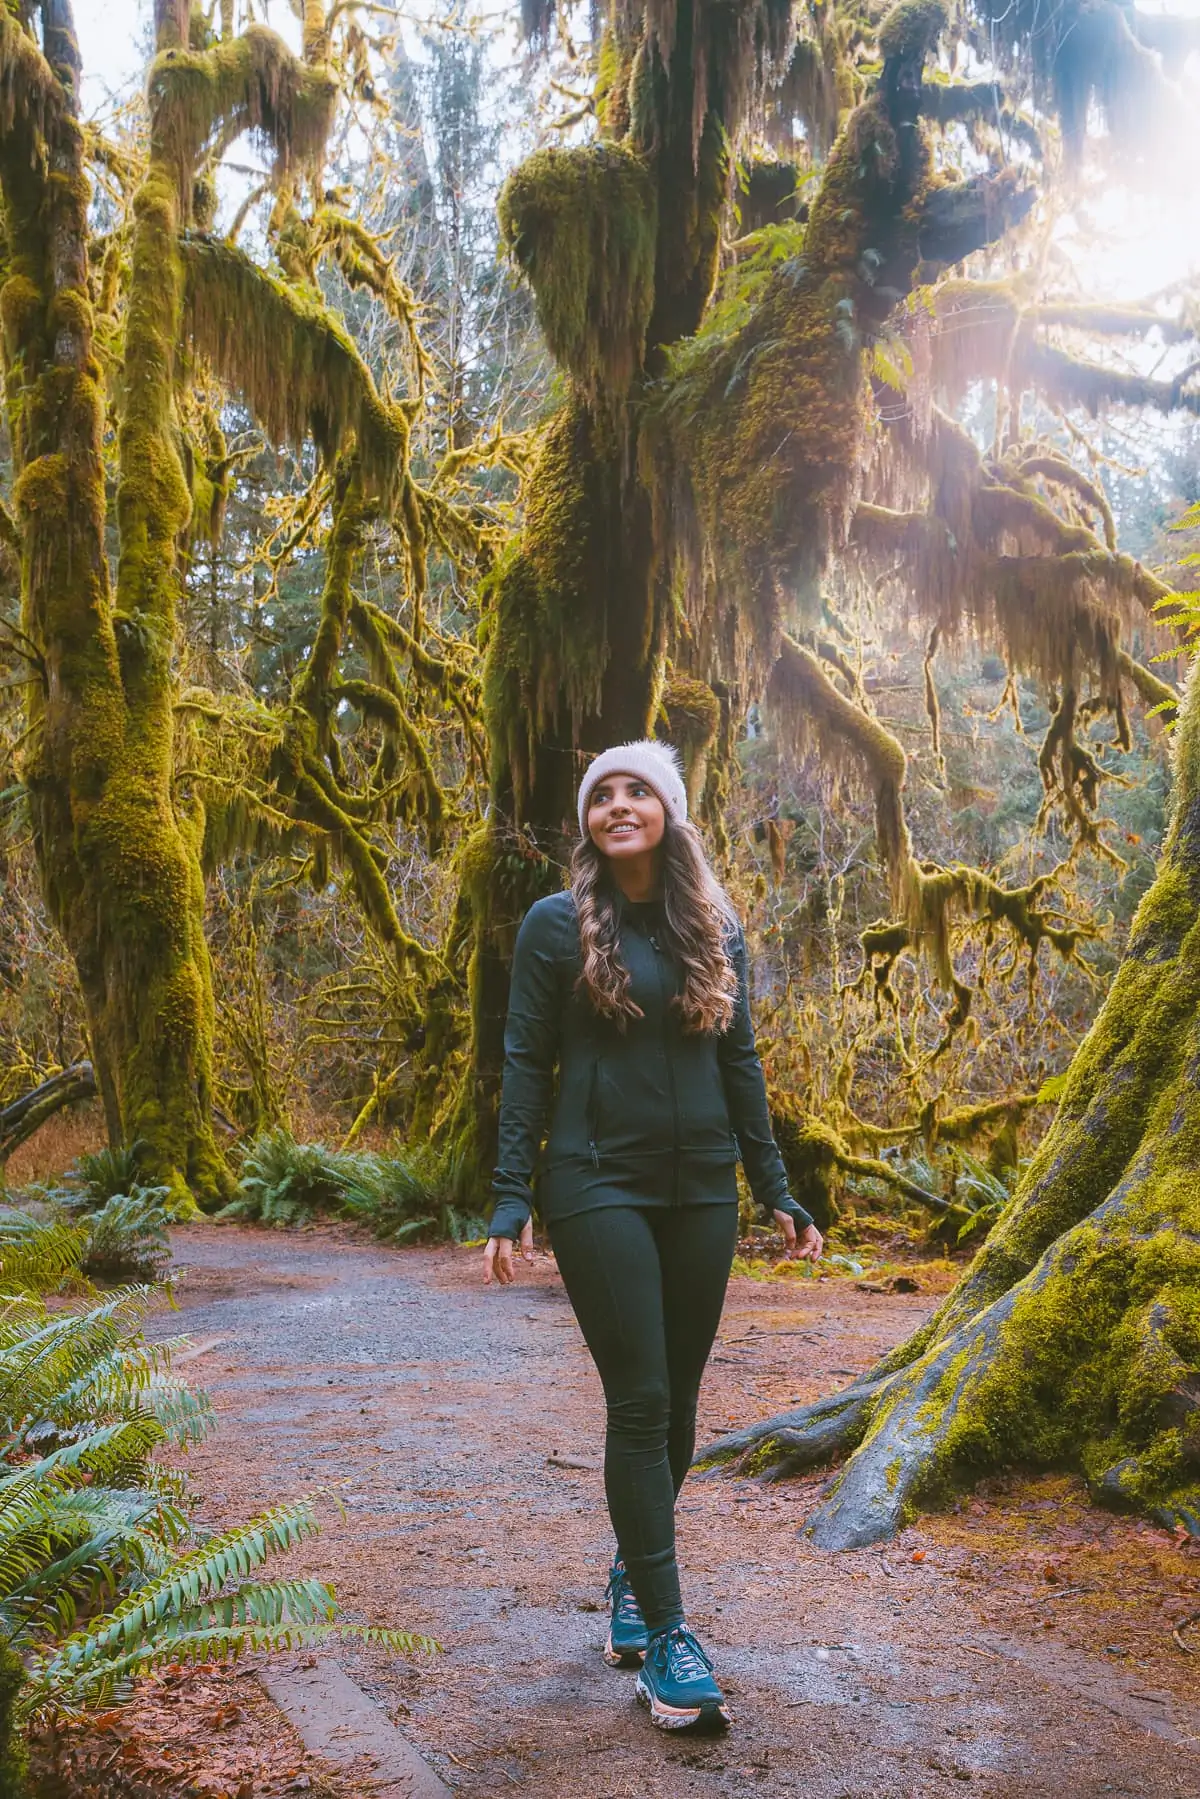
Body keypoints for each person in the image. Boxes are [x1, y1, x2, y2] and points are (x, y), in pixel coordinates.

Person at [482, 740, 823, 1732]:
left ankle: (633, 1570)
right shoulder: (556, 926)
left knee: (676, 1399)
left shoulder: (716, 926)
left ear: (670, 811)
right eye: (602, 794)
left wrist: (775, 1185)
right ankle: (669, 1638)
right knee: (639, 1398)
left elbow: (742, 1061)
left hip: (700, 1189)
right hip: (596, 1183)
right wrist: (511, 1198)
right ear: (587, 819)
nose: (618, 805)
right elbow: (524, 1066)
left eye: (638, 791)